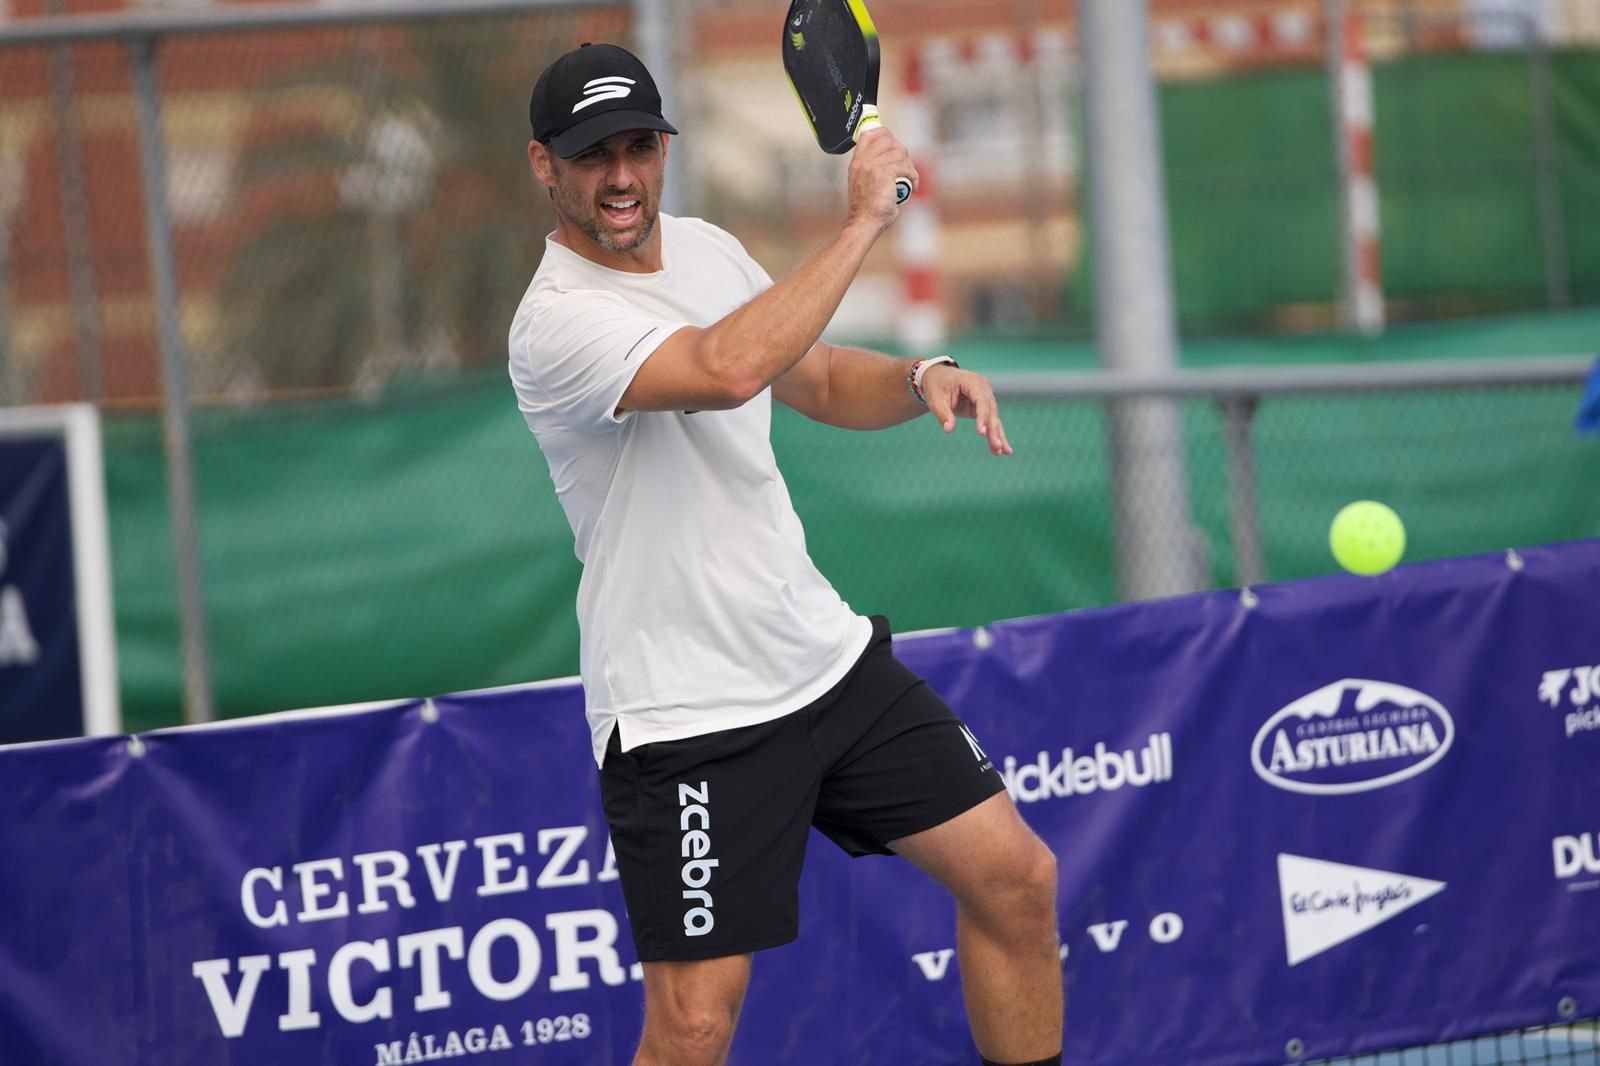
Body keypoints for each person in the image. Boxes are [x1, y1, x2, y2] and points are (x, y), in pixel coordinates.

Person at [508, 42, 1063, 1066]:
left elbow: (808, 375)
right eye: (594, 157)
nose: (622, 176)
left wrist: (915, 374)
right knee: (694, 1019)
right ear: (546, 166)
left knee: (1016, 879)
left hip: (822, 662)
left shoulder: (712, 251)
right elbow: (727, 367)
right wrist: (862, 221)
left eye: (638, 146)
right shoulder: (555, 323)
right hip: (684, 713)